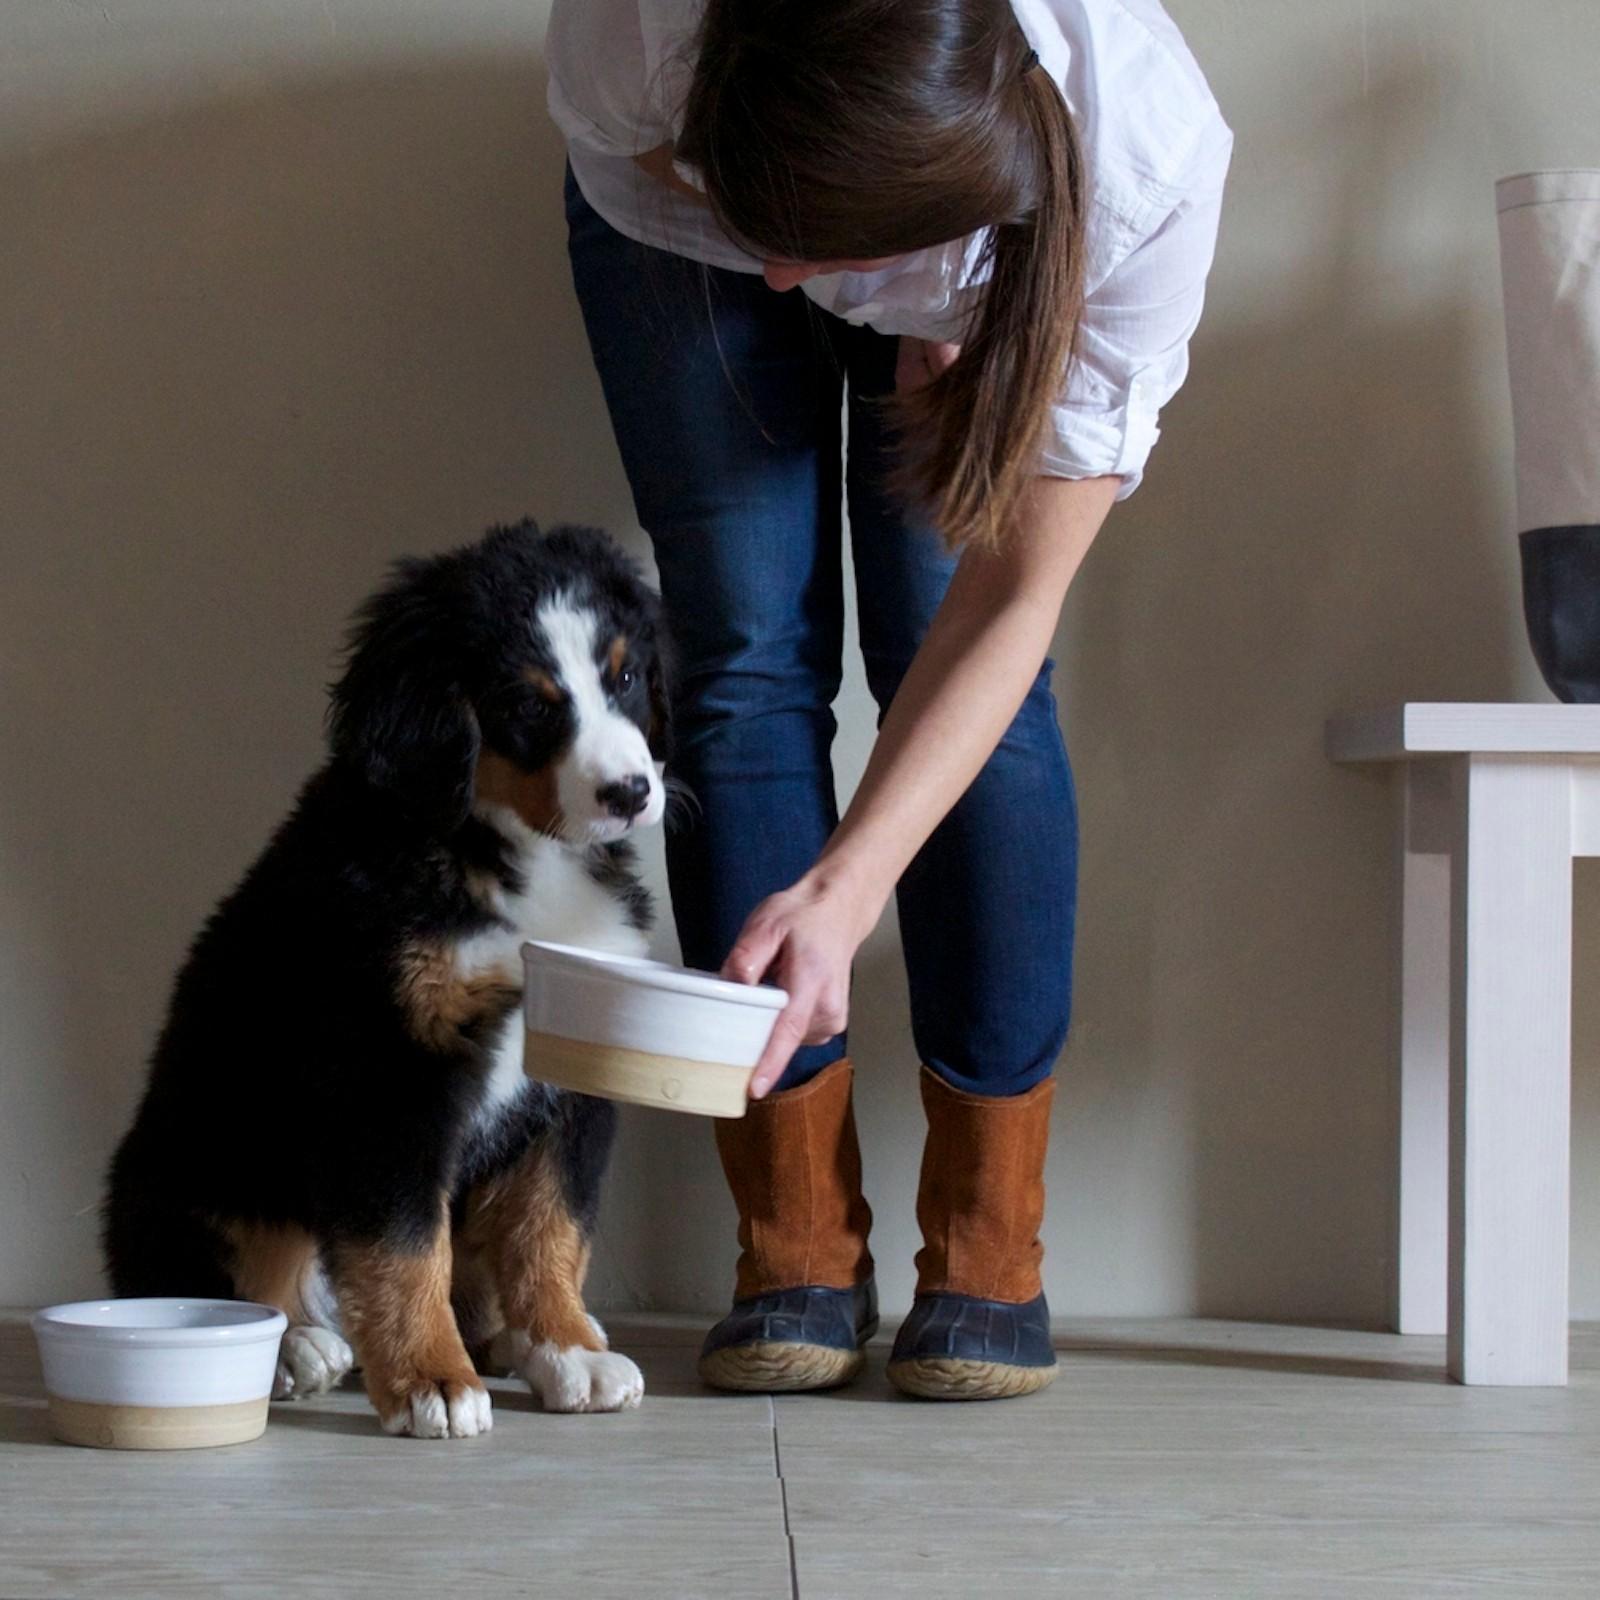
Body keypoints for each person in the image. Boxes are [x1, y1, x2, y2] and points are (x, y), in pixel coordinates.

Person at [547, 0, 1231, 1400]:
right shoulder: (642, 37)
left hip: (997, 233)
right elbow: (749, 217)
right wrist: (749, 215)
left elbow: (1011, 601)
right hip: (675, 212)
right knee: (740, 660)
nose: (786, 281)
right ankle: (792, 1243)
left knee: (955, 645)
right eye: (769, 232)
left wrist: (845, 888)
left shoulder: (1144, 177)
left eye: (824, 251)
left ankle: (991, 1248)